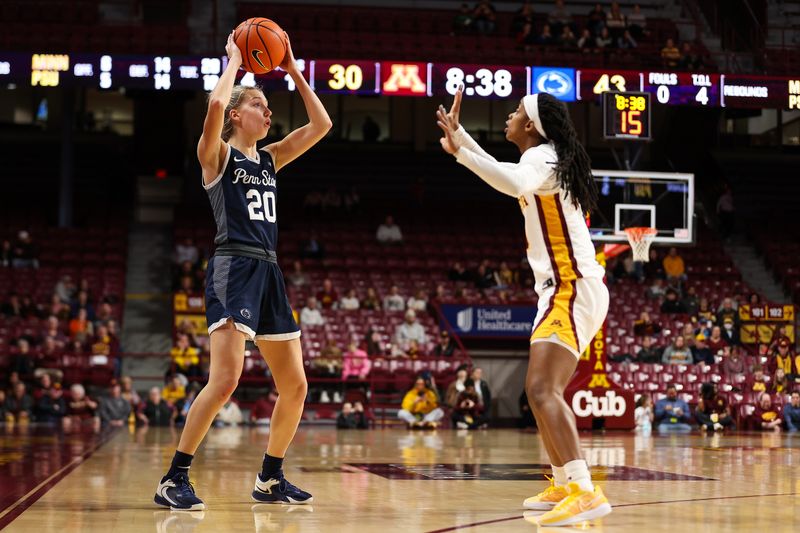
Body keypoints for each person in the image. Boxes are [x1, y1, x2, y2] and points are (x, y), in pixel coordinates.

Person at [153, 30, 331, 511]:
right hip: (234, 266)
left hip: (270, 273)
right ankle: (174, 477)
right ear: (237, 114)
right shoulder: (218, 156)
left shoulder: (270, 159)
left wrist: (292, 67)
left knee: (296, 385)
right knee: (226, 379)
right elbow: (212, 109)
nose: (268, 113)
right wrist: (234, 61)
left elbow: (321, 124)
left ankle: (270, 478)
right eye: (258, 105)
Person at [437, 88, 611, 525]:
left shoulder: (543, 159)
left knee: (541, 389)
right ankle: (564, 482)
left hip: (572, 286)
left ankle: (585, 490)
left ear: (531, 125)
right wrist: (462, 141)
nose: (509, 117)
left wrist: (461, 150)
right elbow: (505, 172)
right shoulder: (542, 159)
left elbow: (510, 180)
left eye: (516, 112)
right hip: (560, 290)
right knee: (538, 392)